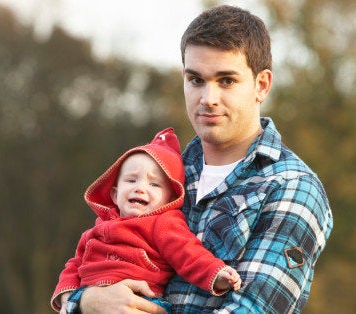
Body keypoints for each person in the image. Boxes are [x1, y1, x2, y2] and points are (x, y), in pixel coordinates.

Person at [77, 4, 333, 313]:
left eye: (226, 81)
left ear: (261, 85)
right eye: (196, 79)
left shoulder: (291, 187)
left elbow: (252, 308)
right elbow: (94, 257)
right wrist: (86, 301)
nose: (208, 98)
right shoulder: (160, 174)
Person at [50, 128, 242, 314]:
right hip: (92, 301)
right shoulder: (97, 229)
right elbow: (74, 265)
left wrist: (216, 274)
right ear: (115, 195)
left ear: (170, 198)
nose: (140, 188)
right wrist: (67, 295)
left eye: (154, 184)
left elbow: (189, 253)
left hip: (142, 301)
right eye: (131, 180)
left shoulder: (163, 223)